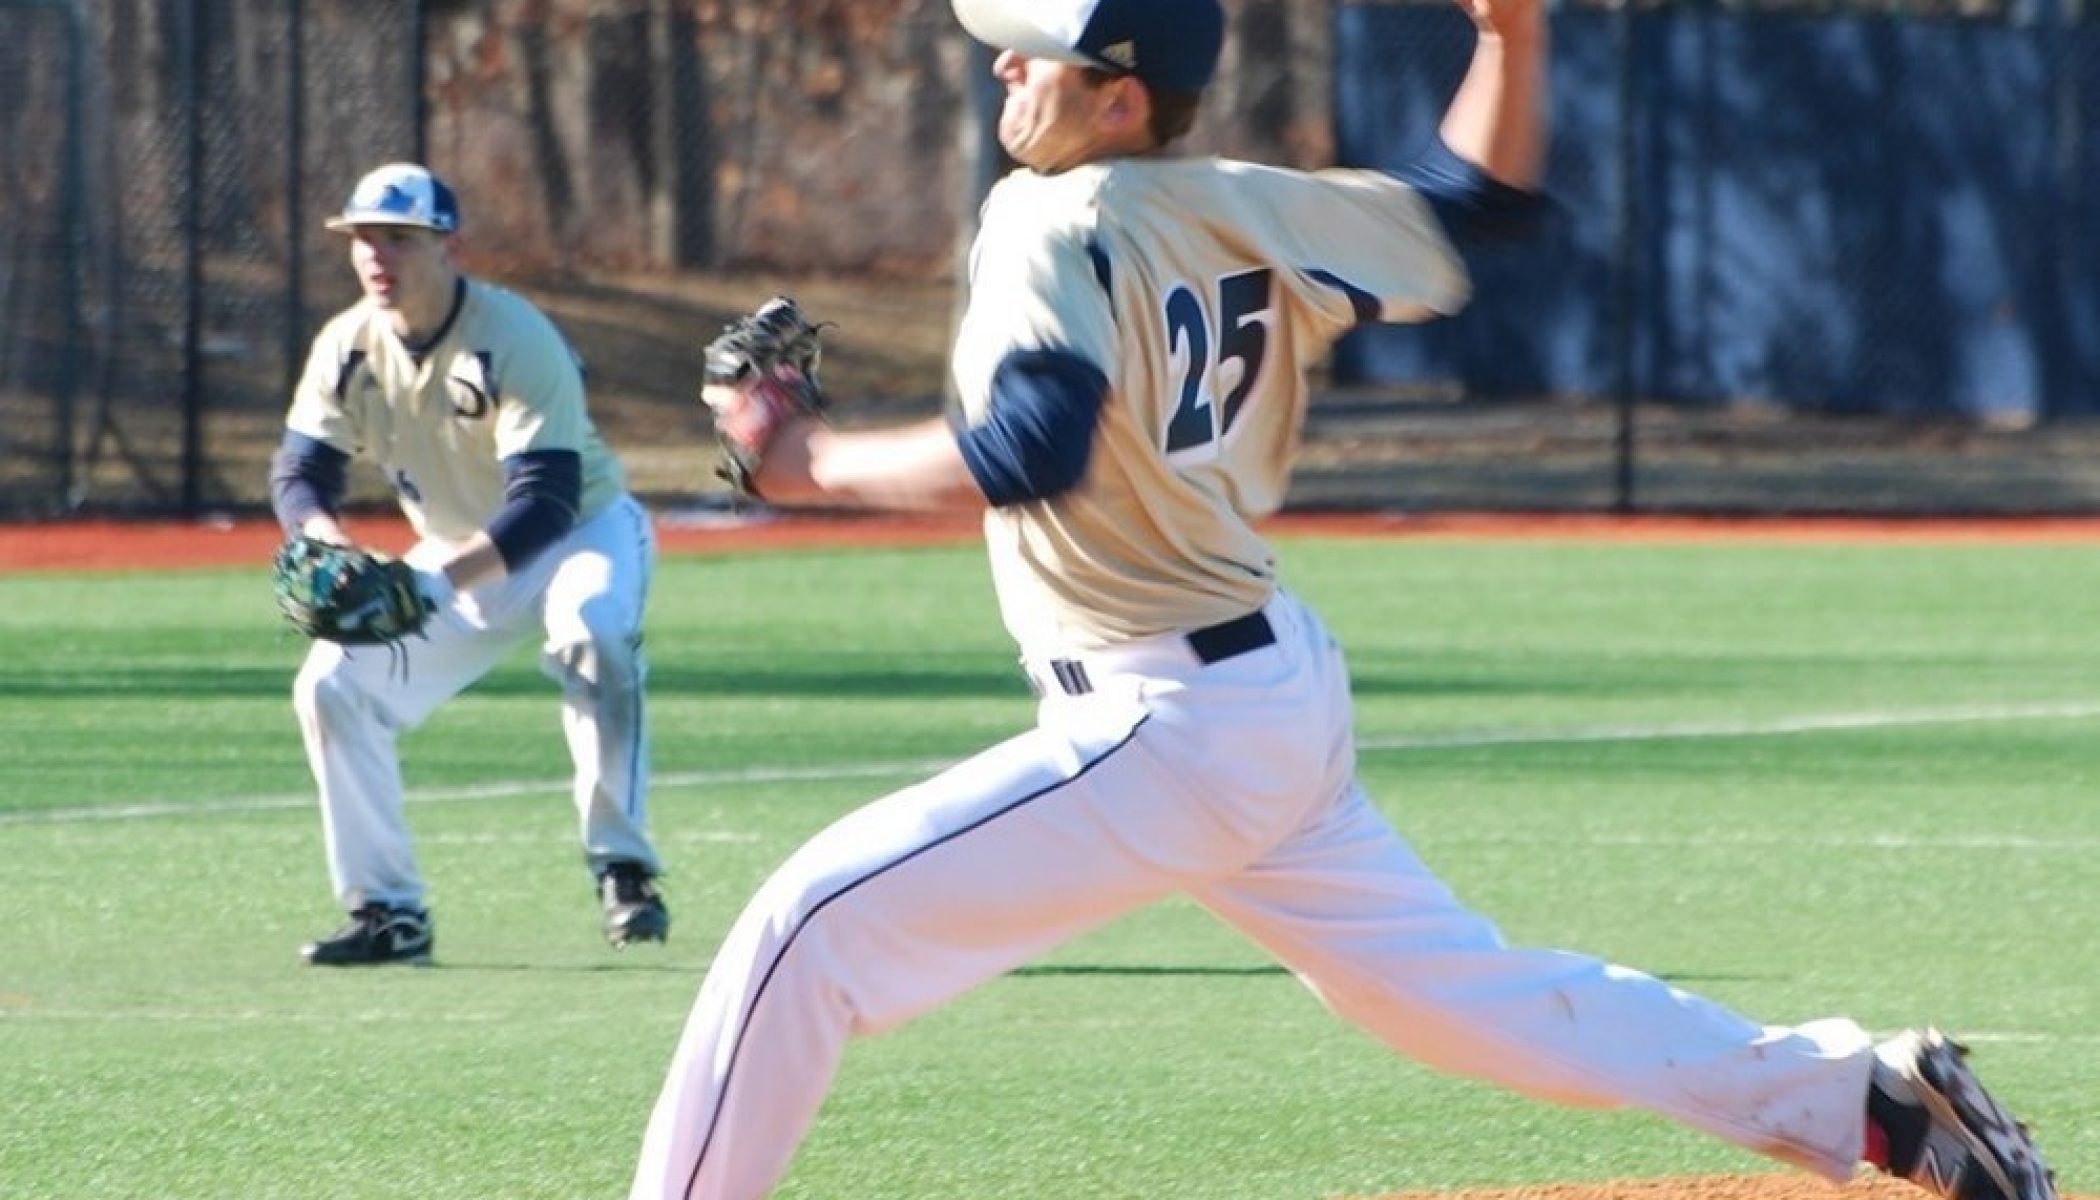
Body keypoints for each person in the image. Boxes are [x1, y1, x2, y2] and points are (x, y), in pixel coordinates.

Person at [630, 1, 2058, 1197]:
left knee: (805, 932)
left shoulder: (1044, 223)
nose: (1000, 64)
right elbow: (1466, 208)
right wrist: (1514, 31)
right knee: (1460, 1004)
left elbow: (1032, 447)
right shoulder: (1239, 200)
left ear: (1120, 98)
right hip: (1264, 695)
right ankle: (1870, 1106)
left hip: (1163, 720)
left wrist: (802, 461)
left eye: (1032, 50)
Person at [271, 162, 669, 966]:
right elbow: (300, 470)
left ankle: (622, 866)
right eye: (363, 240)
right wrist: (326, 540)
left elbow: (546, 500)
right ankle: (388, 913)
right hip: (457, 549)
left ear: (448, 244)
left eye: (400, 239)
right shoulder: (348, 345)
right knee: (331, 687)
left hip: (582, 534)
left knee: (590, 627)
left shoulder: (513, 334)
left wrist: (429, 583)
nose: (377, 256)